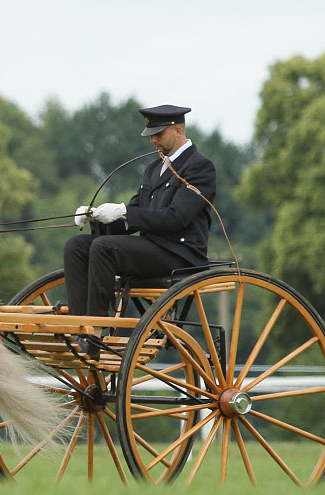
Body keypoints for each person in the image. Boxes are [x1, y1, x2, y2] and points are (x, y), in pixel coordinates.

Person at [63, 104, 216, 339]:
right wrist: (97, 216)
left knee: (103, 247)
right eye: (151, 135)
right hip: (151, 249)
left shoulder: (199, 166)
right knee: (77, 245)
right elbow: (135, 215)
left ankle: (95, 330)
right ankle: (78, 323)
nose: (153, 140)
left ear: (177, 130)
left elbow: (177, 218)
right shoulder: (154, 168)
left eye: (158, 134)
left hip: (180, 254)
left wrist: (124, 212)